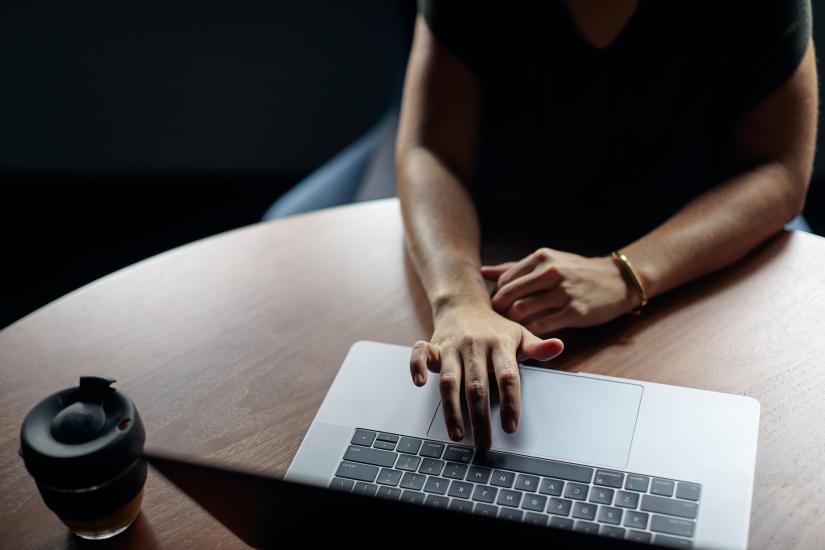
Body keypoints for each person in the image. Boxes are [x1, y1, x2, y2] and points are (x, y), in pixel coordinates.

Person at [396, 0, 817, 450]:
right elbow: (430, 151)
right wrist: (459, 299)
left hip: (698, 230)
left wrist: (625, 274)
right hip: (501, 221)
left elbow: (779, 171)